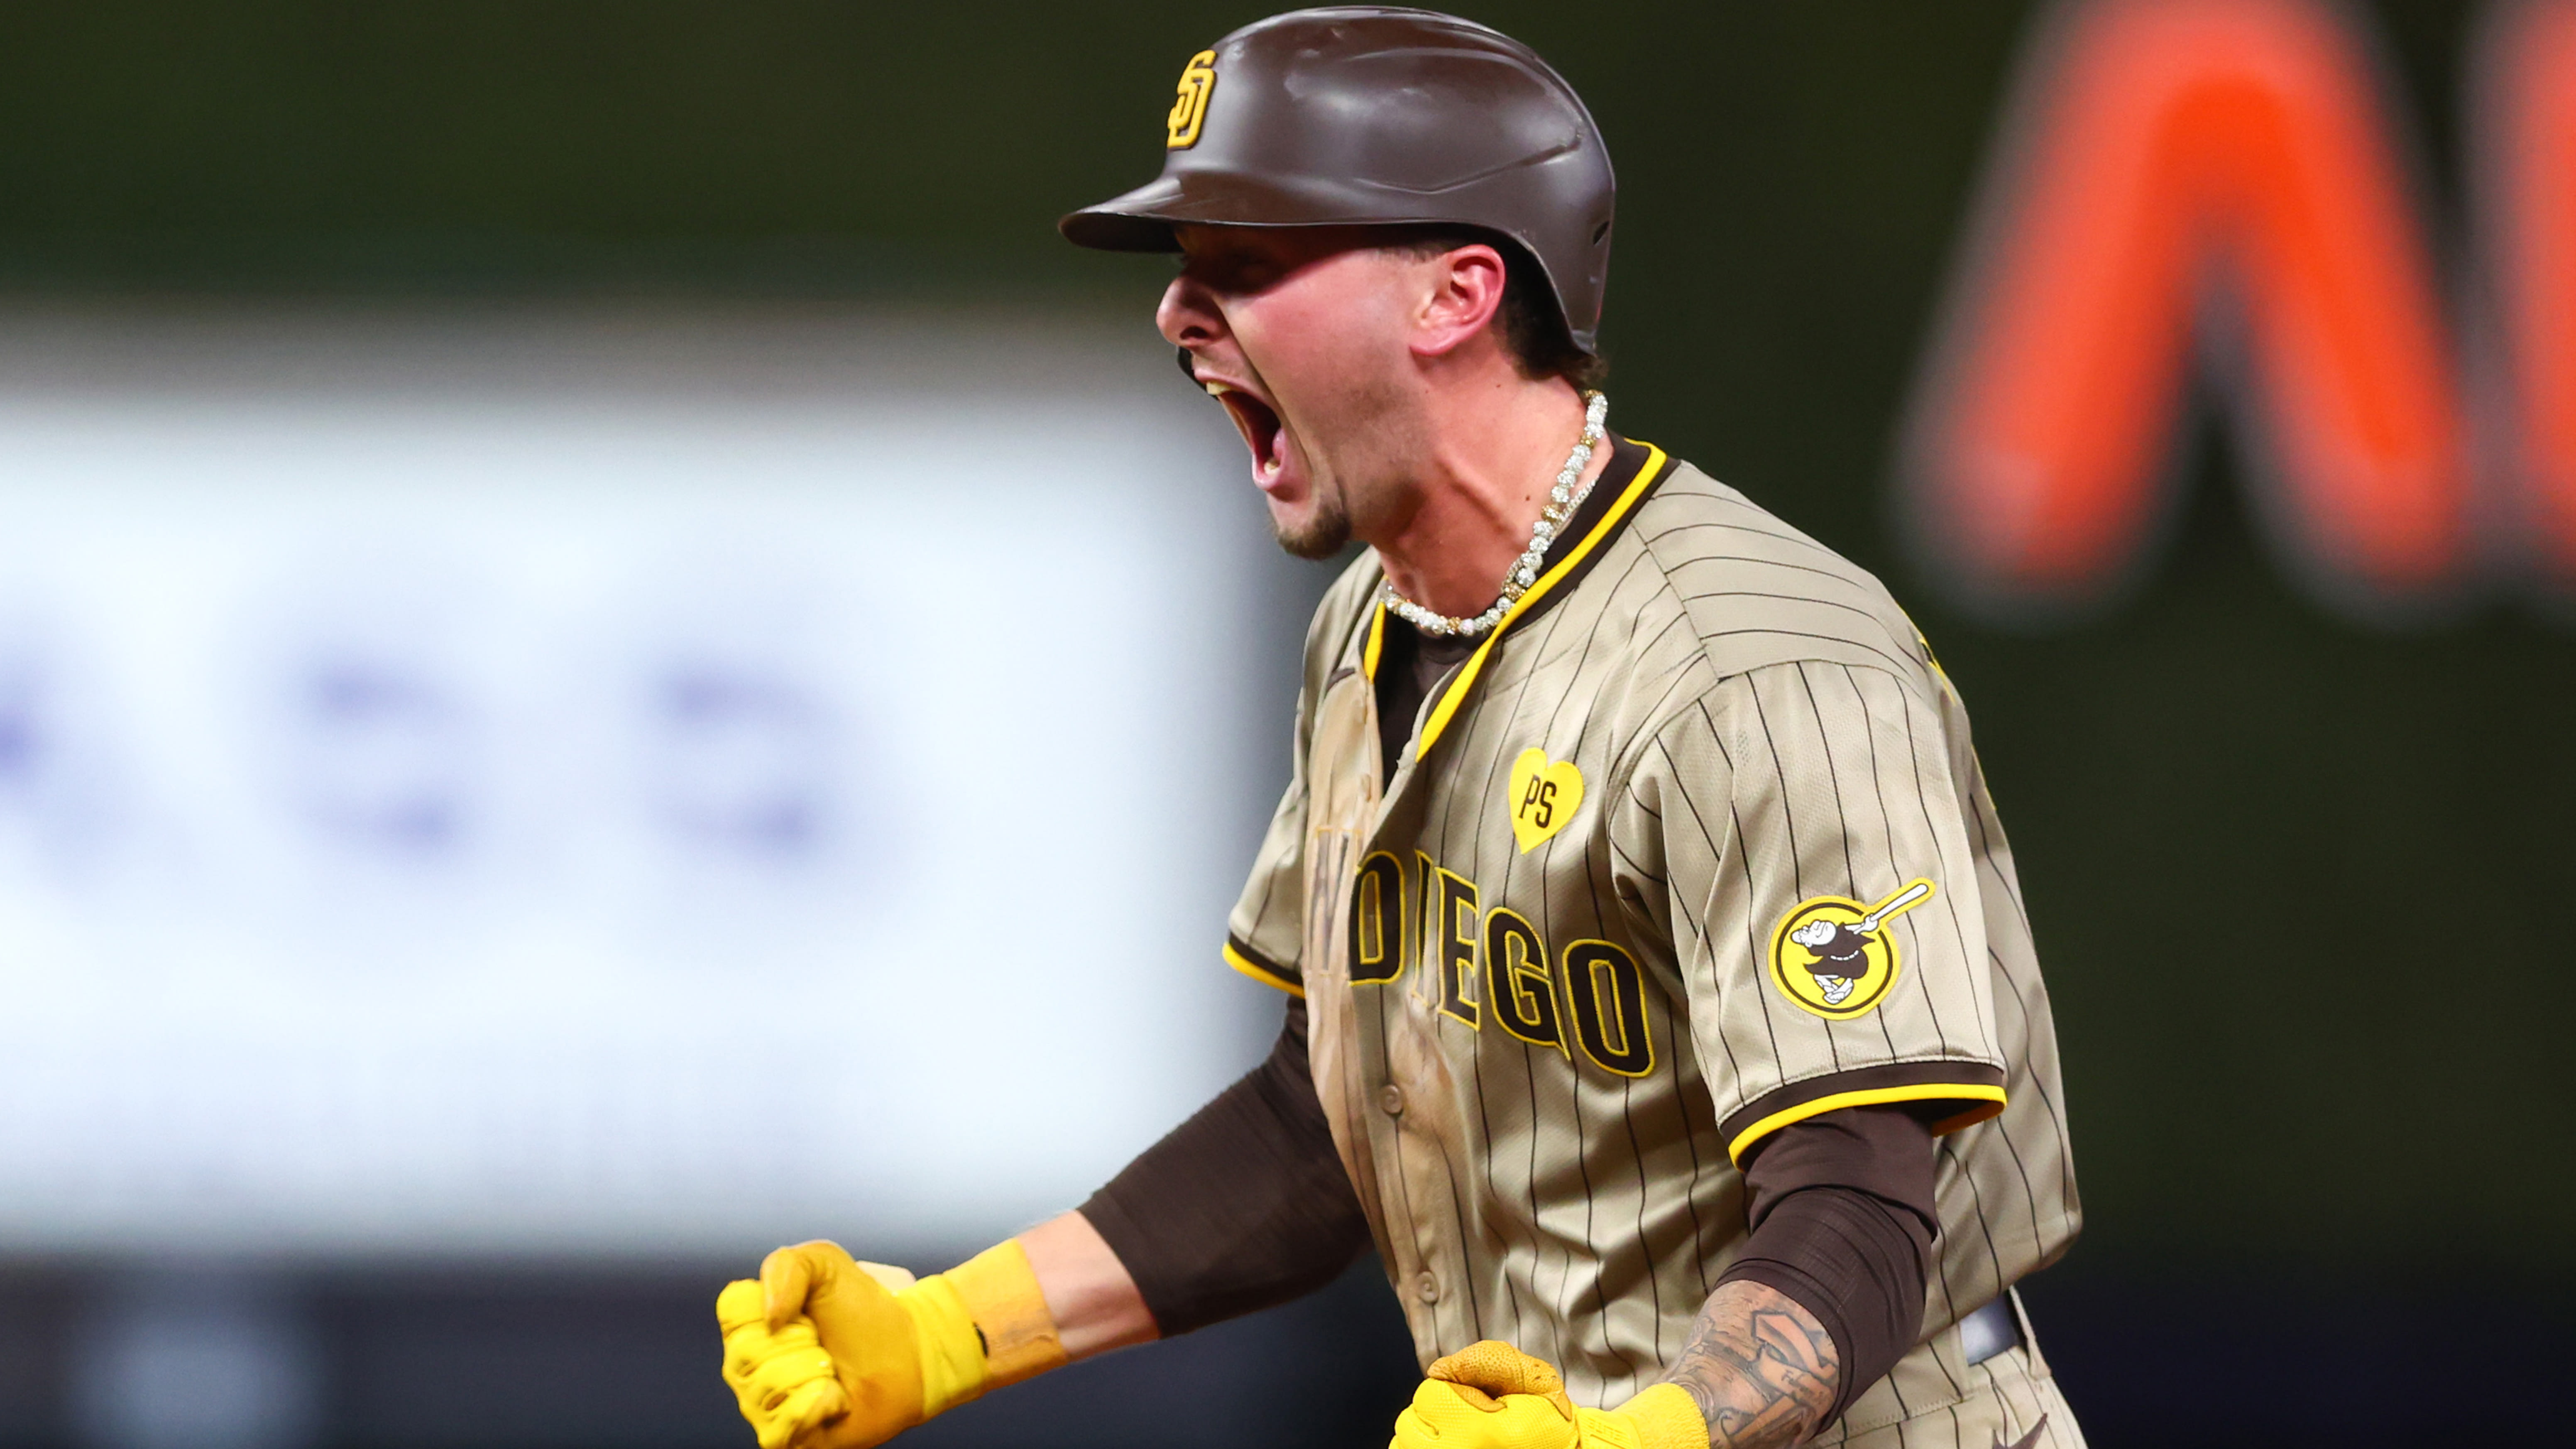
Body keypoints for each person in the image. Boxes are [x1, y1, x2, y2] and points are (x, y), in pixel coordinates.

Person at [716, 10, 2082, 1449]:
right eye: (1188, 270)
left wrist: (1653, 1436)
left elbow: (1861, 1202)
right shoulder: (1374, 619)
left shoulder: (1756, 665)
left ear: (1455, 294)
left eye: (1247, 261)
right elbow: (1327, 1123)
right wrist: (953, 1325)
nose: (1181, 316)